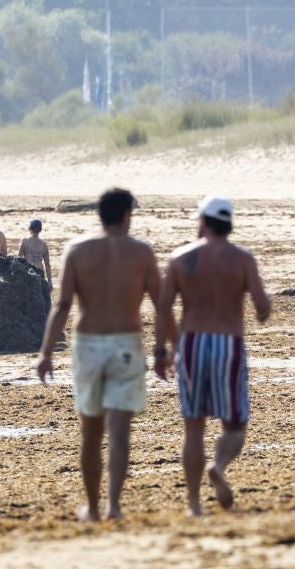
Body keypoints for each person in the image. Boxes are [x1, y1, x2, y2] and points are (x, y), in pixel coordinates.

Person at [37, 187, 162, 523]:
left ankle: (92, 509)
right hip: (125, 343)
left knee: (91, 432)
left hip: (88, 343)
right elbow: (161, 305)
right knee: (120, 431)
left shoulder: (77, 250)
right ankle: (115, 506)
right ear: (126, 215)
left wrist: (46, 352)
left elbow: (62, 305)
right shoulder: (141, 252)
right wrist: (164, 349)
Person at [154, 195, 273, 516]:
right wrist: (262, 309)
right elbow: (262, 307)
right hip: (228, 343)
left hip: (192, 343)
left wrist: (160, 351)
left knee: (194, 428)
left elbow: (163, 308)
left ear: (204, 222)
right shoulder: (242, 259)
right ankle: (218, 465)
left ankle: (194, 504)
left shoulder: (181, 258)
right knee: (234, 425)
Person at [19, 219, 53, 286]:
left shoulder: (25, 241)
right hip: (40, 273)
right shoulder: (43, 244)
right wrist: (50, 281)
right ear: (40, 230)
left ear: (29, 229)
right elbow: (47, 265)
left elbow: (18, 259)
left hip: (28, 272)